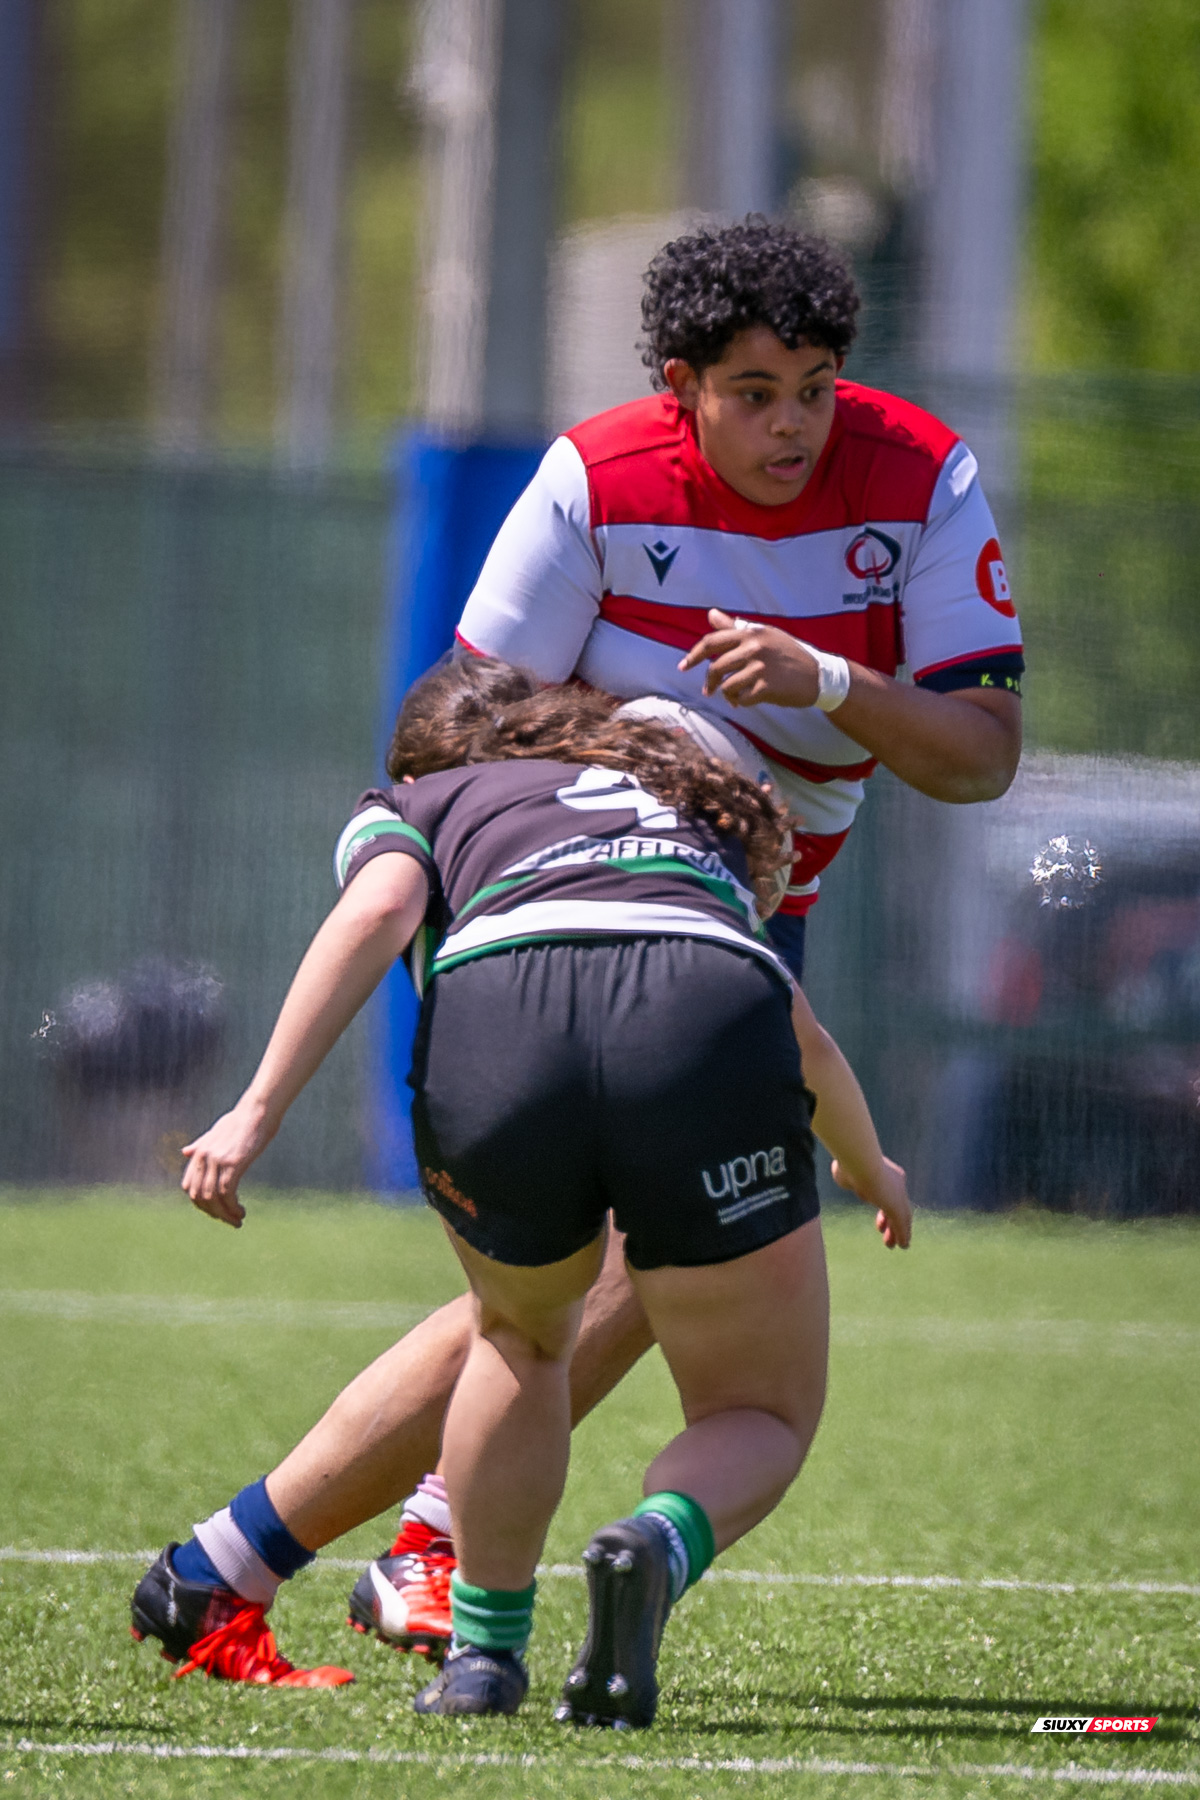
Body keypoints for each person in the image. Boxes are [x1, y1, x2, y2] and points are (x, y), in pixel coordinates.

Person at [345, 212, 1025, 1650]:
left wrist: (830, 682)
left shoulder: (919, 476)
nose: (797, 426)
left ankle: (321, 1555)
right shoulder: (595, 478)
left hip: (750, 931)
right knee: (622, 1278)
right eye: (757, 392)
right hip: (576, 920)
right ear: (680, 385)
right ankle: (424, 1551)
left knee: (630, 1276)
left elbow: (980, 755)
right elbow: (462, 728)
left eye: (819, 386)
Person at [130, 658, 911, 1720]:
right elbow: (800, 1033)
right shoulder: (679, 785)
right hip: (705, 1008)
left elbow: (378, 915)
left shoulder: (422, 797)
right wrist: (870, 1167)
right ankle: (656, 1542)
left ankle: (485, 1660)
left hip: (503, 1009)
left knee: (521, 1337)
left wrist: (256, 1109)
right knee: (756, 1408)